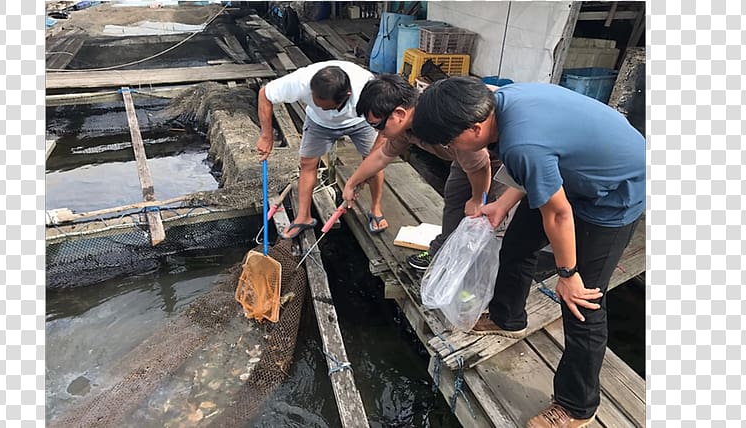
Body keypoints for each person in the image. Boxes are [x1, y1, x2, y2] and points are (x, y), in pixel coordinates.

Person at [412, 77, 645, 428]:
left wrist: (568, 274)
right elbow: (537, 169)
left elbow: (558, 212)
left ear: (475, 129)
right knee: (518, 246)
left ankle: (577, 406)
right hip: (573, 175)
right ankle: (508, 317)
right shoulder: (500, 101)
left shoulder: (521, 142)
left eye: (450, 140)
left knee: (582, 302)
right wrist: (502, 205)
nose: (450, 147)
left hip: (612, 192)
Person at [341, 74, 491, 270]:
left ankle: (475, 270)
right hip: (465, 159)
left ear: (399, 114)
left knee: (486, 217)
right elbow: (380, 156)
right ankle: (441, 253)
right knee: (454, 201)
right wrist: (352, 182)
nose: (377, 132)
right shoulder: (405, 127)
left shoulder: (438, 119)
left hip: (493, 161)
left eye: (378, 125)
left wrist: (478, 198)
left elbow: (481, 164)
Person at [256, 60, 388, 238]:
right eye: (317, 102)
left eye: (327, 107)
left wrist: (371, 162)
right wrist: (266, 136)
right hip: (318, 123)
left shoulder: (366, 87)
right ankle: (303, 216)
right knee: (307, 164)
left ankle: (376, 209)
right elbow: (265, 94)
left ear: (347, 95)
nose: (323, 108)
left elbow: (385, 127)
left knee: (375, 165)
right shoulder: (301, 81)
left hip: (361, 121)